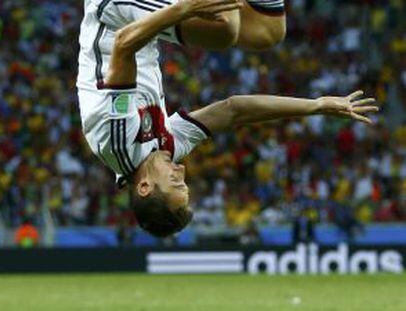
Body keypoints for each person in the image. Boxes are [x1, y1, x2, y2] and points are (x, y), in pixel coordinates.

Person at [78, 0, 379, 238]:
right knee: (267, 32)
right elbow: (233, 110)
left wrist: (186, 7)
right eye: (185, 183)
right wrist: (314, 105)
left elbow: (123, 43)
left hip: (114, 15)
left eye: (176, 183)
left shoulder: (117, 141)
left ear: (144, 187)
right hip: (139, 25)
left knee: (223, 29)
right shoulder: (165, 148)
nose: (182, 171)